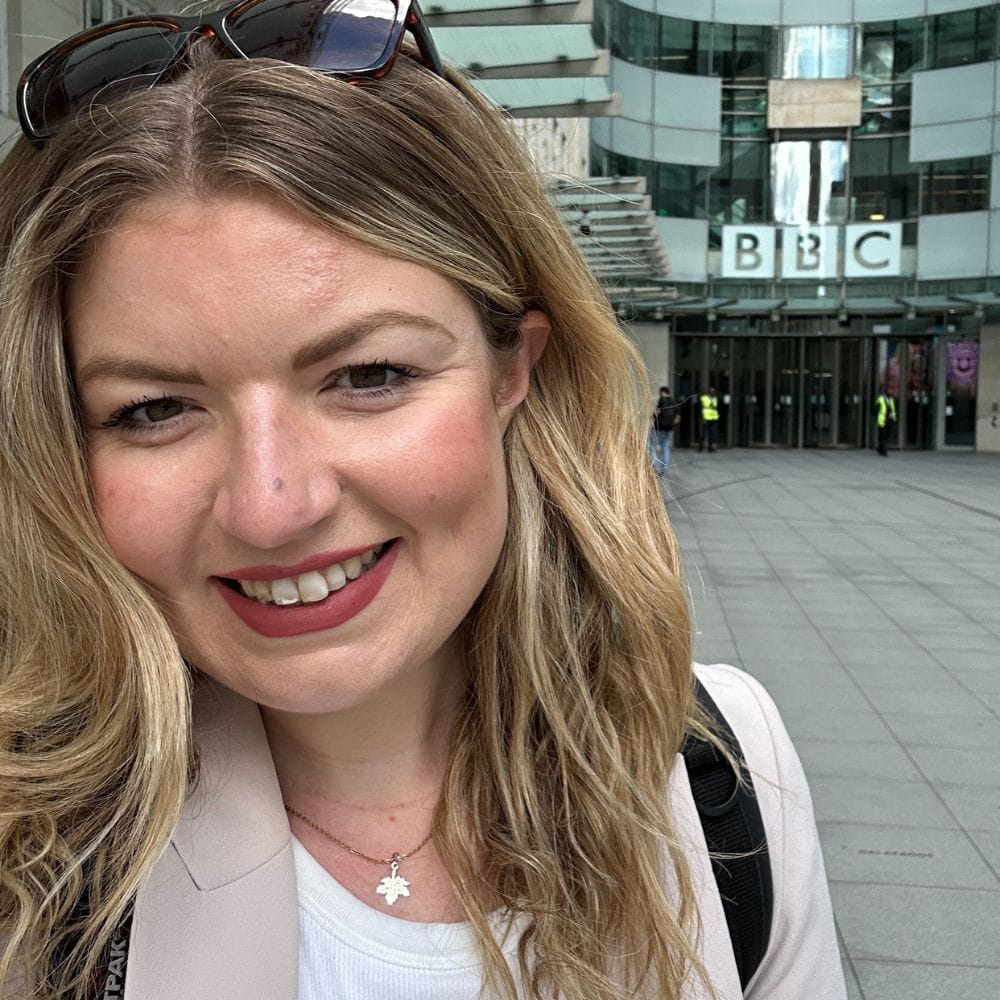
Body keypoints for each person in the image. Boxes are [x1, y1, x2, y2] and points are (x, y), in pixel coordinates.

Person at [0, 4, 846, 999]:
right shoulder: (32, 852)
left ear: (512, 372)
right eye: (152, 408)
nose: (272, 507)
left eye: (368, 375)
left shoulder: (721, 773)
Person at [648, 386, 681, 475]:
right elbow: (677, 418)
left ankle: (656, 466)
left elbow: (656, 413)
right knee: (666, 449)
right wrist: (672, 426)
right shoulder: (674, 402)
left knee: (651, 448)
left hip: (657, 430)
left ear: (663, 392)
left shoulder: (662, 401)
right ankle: (663, 469)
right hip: (667, 431)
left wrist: (651, 416)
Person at [875, 385, 897, 456]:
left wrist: (894, 419)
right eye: (889, 390)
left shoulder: (891, 399)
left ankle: (880, 448)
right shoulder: (881, 399)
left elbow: (893, 410)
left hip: (889, 420)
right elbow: (875, 409)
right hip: (883, 420)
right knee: (882, 435)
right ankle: (883, 450)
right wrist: (877, 417)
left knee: (887, 435)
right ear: (886, 391)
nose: (891, 391)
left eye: (891, 390)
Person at [698, 387, 720, 453]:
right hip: (706, 418)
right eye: (711, 391)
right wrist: (702, 418)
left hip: (713, 418)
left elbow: (715, 407)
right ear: (708, 392)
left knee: (712, 434)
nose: (712, 392)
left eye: (713, 391)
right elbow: (701, 408)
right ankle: (700, 447)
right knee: (704, 434)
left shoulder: (715, 398)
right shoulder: (704, 398)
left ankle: (710, 448)